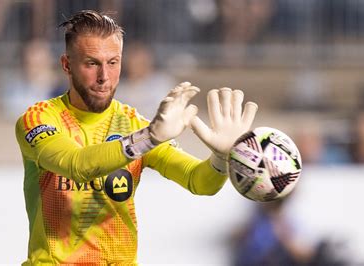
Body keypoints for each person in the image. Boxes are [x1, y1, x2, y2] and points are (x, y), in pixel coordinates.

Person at [15, 10, 258, 265]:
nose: (104, 77)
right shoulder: (39, 119)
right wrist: (148, 138)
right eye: (91, 63)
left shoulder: (133, 124)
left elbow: (199, 181)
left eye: (113, 62)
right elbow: (75, 165)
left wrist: (220, 159)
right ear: (67, 65)